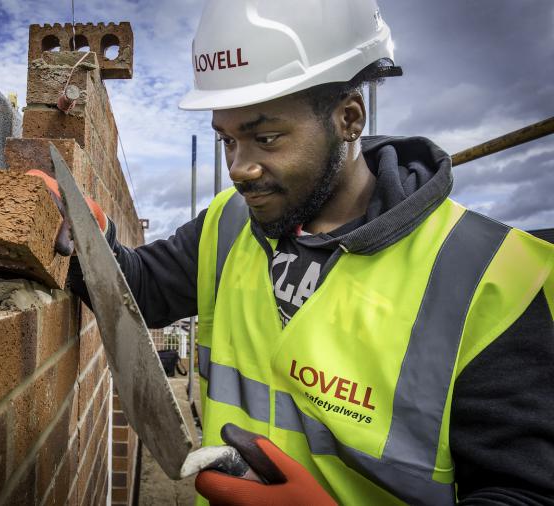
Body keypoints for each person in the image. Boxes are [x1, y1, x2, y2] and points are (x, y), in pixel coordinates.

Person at [35, 0, 554, 503]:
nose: (239, 168)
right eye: (227, 140)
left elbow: (524, 490)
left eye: (266, 137)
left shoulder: (492, 280)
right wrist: (91, 241)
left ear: (349, 119)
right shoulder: (231, 222)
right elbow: (141, 291)